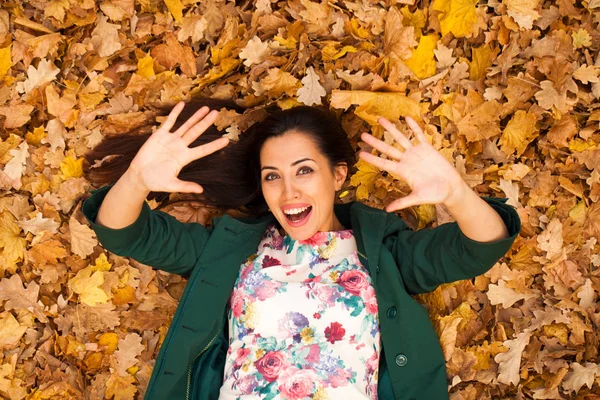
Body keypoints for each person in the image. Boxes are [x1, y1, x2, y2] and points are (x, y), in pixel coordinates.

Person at [82, 98, 521, 400]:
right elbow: (124, 232)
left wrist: (456, 192)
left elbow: (479, 245)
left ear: (339, 177)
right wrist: (137, 179)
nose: (288, 191)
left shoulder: (383, 254)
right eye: (272, 176)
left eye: (305, 170)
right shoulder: (232, 252)